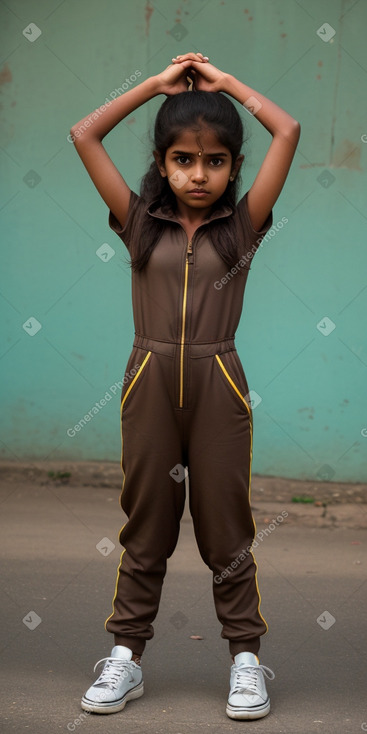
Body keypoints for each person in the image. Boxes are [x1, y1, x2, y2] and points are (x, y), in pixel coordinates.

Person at [70, 51, 300, 721]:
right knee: (146, 524)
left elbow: (285, 132)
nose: (198, 173)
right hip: (147, 381)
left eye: (215, 160)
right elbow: (84, 135)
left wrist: (226, 82)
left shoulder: (240, 230)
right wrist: (154, 86)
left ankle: (246, 661)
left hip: (219, 383)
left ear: (232, 166)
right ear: (163, 163)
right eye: (182, 159)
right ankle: (125, 659)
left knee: (226, 530)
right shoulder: (141, 225)